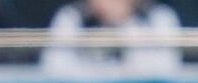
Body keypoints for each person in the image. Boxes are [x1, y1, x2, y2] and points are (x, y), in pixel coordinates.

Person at [41, 0, 182, 75]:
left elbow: (167, 71)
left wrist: (122, 24)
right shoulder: (70, 17)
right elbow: (53, 70)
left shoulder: (159, 17)